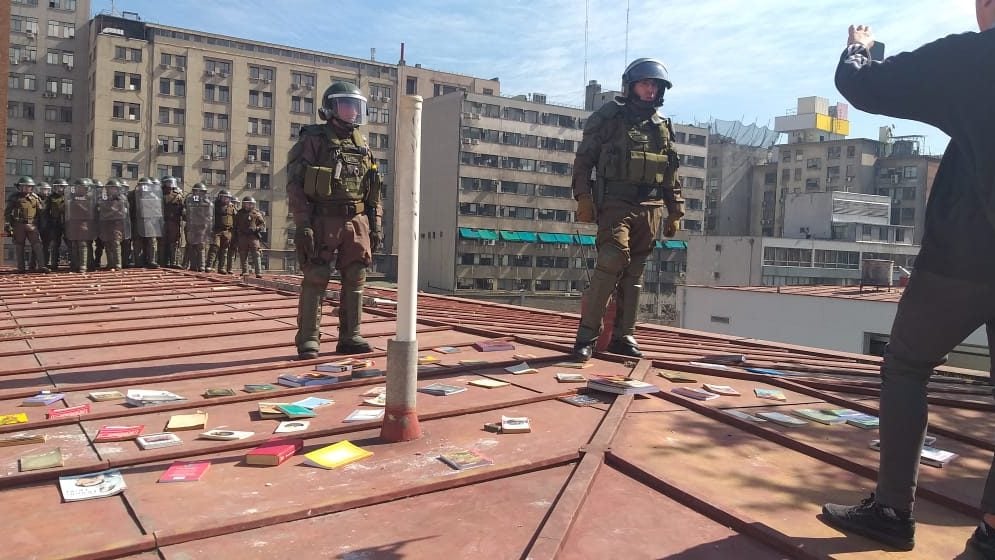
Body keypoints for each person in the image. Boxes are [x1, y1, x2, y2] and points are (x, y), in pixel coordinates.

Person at [821, 6, 995, 556]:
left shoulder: (974, 57)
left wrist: (861, 46)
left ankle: (892, 510)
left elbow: (864, 85)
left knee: (907, 365)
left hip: (966, 255)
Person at [570, 58, 684, 362]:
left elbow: (671, 173)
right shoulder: (609, 118)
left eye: (655, 85)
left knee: (635, 272)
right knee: (611, 260)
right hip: (615, 203)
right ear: (631, 85)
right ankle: (586, 337)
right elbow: (584, 162)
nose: (650, 90)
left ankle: (624, 335)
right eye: (645, 83)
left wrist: (675, 210)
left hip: (650, 206)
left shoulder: (662, 127)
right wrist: (583, 197)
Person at [288, 81, 384, 359]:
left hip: (356, 220)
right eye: (347, 105)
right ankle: (308, 340)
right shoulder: (314, 139)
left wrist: (375, 224)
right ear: (330, 108)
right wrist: (303, 223)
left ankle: (350, 336)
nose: (354, 112)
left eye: (357, 107)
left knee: (356, 277)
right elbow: (295, 185)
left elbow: (374, 188)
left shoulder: (362, 144)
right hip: (322, 219)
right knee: (316, 277)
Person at [4, 176, 49, 272]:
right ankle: (21, 268)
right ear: (19, 187)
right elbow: (7, 212)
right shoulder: (14, 197)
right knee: (19, 246)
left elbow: (41, 212)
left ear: (31, 187)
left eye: (28, 186)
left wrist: (43, 225)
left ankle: (41, 266)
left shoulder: (35, 198)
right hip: (18, 225)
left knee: (38, 245)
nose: (26, 188)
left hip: (32, 225)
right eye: (23, 186)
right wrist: (8, 224)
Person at [96, 179, 131, 271]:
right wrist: (110, 211)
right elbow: (101, 210)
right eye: (110, 188)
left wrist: (108, 212)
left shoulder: (122, 199)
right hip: (106, 224)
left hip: (117, 224)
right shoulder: (103, 198)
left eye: (114, 188)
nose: (111, 190)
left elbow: (121, 213)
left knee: (115, 243)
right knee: (107, 243)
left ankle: (118, 264)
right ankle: (110, 264)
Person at [130, 177, 164, 268]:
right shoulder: (132, 194)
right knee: (137, 242)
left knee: (152, 241)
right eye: (142, 185)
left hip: (150, 221)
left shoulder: (153, 196)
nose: (144, 187)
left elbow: (158, 210)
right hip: (137, 221)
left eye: (146, 185)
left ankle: (152, 261)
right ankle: (138, 261)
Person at [66, 178, 97, 273]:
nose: (79, 189)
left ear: (86, 189)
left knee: (83, 245)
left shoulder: (89, 198)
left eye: (82, 188)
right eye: (78, 188)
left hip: (84, 224)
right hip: (73, 224)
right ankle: (75, 264)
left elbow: (89, 212)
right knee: (74, 245)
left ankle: (83, 266)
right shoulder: (71, 198)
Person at [183, 183, 213, 272]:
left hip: (201, 227)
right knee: (191, 246)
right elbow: (185, 213)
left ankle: (201, 266)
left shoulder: (207, 202)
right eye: (196, 191)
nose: (198, 193)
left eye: (200, 192)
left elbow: (209, 215)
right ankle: (192, 266)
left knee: (201, 246)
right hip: (191, 226)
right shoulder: (189, 200)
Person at [234, 196, 266, 278]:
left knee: (256, 252)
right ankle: (245, 271)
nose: (248, 205)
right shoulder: (239, 213)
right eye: (246, 204)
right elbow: (235, 225)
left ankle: (258, 272)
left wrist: (257, 228)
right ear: (244, 204)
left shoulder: (256, 213)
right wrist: (237, 234)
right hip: (243, 236)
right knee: (243, 253)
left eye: (250, 204)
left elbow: (262, 224)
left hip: (253, 236)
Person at [208, 190, 236, 274]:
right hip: (216, 230)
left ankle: (221, 268)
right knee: (214, 247)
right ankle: (209, 266)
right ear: (220, 197)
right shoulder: (214, 205)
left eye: (227, 198)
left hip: (227, 231)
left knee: (224, 250)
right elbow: (209, 216)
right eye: (224, 197)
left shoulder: (232, 207)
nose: (226, 199)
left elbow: (236, 218)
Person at [44, 179, 69, 271]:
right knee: (55, 244)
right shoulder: (51, 198)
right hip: (55, 223)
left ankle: (74, 262)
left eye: (62, 187)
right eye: (58, 186)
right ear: (55, 187)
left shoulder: (69, 197)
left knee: (70, 243)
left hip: (67, 223)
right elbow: (46, 211)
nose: (60, 189)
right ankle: (54, 263)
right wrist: (48, 222)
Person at [161, 178, 185, 268]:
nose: (169, 187)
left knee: (174, 243)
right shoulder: (160, 195)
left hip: (174, 222)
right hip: (162, 222)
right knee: (163, 243)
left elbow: (183, 209)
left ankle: (174, 262)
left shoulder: (178, 197)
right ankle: (163, 261)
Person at [35, 181, 52, 269]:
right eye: (43, 190)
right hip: (36, 225)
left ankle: (45, 263)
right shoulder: (34, 198)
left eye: (46, 190)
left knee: (46, 246)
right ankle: (33, 264)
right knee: (36, 246)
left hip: (47, 226)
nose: (45, 192)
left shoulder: (50, 199)